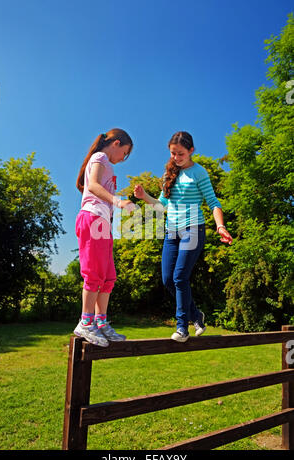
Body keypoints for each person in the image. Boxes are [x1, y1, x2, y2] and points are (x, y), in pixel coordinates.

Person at [134, 131, 232, 342]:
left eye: (180, 154)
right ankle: (196, 315)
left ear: (191, 151)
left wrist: (220, 226)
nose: (176, 158)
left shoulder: (199, 173)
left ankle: (182, 328)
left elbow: (213, 203)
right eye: (172, 154)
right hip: (172, 231)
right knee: (168, 279)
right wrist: (144, 197)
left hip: (193, 229)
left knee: (180, 277)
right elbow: (162, 206)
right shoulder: (169, 174)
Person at [74, 128, 135, 346]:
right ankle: (85, 323)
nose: (123, 159)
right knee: (93, 274)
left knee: (108, 277)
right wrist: (118, 201)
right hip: (91, 219)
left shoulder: (108, 164)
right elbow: (92, 185)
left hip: (103, 225)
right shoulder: (99, 157)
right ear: (116, 143)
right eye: (125, 153)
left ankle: (101, 322)